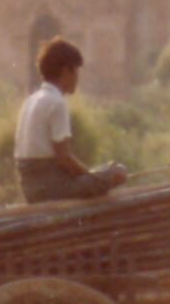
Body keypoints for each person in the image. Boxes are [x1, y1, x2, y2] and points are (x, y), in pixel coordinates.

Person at [14, 37, 129, 203]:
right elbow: (63, 158)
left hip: (30, 189)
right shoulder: (57, 102)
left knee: (107, 169)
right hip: (50, 190)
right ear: (66, 72)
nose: (77, 78)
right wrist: (93, 178)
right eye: (76, 71)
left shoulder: (31, 100)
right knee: (118, 171)